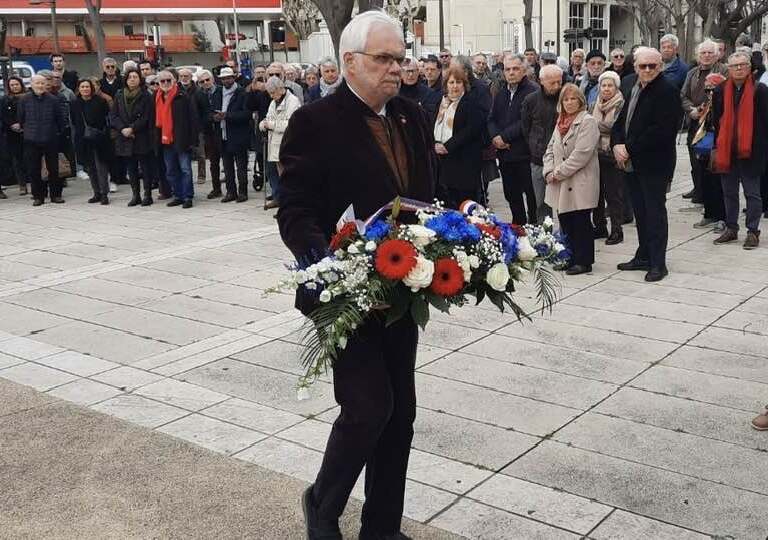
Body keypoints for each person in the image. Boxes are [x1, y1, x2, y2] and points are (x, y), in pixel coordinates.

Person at [277, 10, 436, 540]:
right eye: (384, 59)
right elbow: (294, 208)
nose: (397, 68)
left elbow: (423, 197)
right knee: (368, 408)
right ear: (350, 61)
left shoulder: (412, 115)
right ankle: (322, 505)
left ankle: (382, 529)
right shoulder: (315, 121)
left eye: (400, 58)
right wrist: (324, 259)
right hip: (341, 290)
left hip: (398, 287)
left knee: (401, 415)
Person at [612, 47, 682, 282]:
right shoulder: (633, 86)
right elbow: (622, 121)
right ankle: (643, 255)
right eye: (643, 66)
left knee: (655, 214)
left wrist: (628, 148)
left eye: (653, 65)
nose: (648, 70)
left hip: (654, 164)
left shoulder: (667, 91)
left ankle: (658, 263)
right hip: (632, 163)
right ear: (636, 67)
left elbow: (661, 132)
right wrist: (616, 143)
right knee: (641, 213)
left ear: (660, 66)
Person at [711, 51, 768, 250]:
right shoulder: (719, 91)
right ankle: (731, 227)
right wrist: (719, 145)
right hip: (727, 151)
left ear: (749, 67)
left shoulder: (760, 90)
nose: (738, 69)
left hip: (751, 151)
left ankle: (752, 231)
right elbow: (716, 121)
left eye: (743, 65)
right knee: (729, 192)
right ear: (728, 68)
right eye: (734, 65)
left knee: (753, 194)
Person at [544, 84, 599, 275]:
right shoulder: (561, 121)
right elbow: (550, 148)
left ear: (580, 101)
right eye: (565, 99)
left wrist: (557, 173)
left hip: (579, 181)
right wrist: (548, 170)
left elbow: (581, 155)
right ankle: (569, 256)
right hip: (560, 182)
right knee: (565, 221)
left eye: (572, 98)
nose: (569, 103)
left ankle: (584, 261)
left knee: (580, 222)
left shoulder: (588, 121)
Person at [488, 53, 539, 224]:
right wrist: (495, 136)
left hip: (525, 154)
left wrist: (504, 136)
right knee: (511, 194)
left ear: (524, 70)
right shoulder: (501, 92)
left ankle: (534, 228)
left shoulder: (533, 91)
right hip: (505, 155)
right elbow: (492, 118)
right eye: (507, 69)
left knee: (531, 196)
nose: (511, 73)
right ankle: (519, 225)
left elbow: (525, 121)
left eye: (515, 69)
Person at [681, 40, 728, 205]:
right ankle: (699, 192)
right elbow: (683, 95)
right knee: (695, 159)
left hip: (714, 124)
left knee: (711, 162)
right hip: (695, 121)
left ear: (716, 55)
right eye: (703, 53)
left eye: (710, 53)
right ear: (698, 55)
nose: (706, 56)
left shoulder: (724, 71)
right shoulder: (692, 73)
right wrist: (691, 110)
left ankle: (712, 198)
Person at [433, 66, 484, 209]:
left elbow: (472, 129)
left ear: (464, 84)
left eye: (458, 82)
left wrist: (447, 146)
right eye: (451, 82)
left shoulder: (471, 103)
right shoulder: (440, 103)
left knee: (464, 203)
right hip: (443, 163)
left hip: (463, 162)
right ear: (445, 85)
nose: (454, 86)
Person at [521, 64, 563, 223]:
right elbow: (525, 127)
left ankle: (566, 237)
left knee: (563, 204)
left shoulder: (566, 97)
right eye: (552, 83)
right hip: (538, 159)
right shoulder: (531, 100)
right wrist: (534, 146)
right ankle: (545, 238)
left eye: (559, 82)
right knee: (541, 202)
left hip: (562, 159)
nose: (557, 86)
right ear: (541, 81)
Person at [18, 74, 68, 206]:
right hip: (31, 139)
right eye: (37, 83)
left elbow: (60, 120)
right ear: (32, 84)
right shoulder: (24, 100)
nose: (40, 86)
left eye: (42, 83)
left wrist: (56, 133)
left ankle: (56, 195)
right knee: (33, 170)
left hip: (50, 138)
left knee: (54, 169)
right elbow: (21, 118)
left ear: (46, 85)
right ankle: (38, 196)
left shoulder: (53, 100)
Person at [155, 70, 200, 208]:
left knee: (185, 169)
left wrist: (193, 140)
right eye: (162, 81)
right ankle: (178, 195)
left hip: (181, 139)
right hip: (165, 140)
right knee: (170, 171)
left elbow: (193, 119)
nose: (166, 83)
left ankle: (187, 196)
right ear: (159, 83)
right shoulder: (156, 98)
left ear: (174, 81)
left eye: (169, 80)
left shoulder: (183, 96)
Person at [111, 68, 156, 207]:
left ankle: (147, 195)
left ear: (139, 79)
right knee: (131, 168)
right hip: (125, 136)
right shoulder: (119, 94)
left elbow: (147, 116)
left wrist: (133, 128)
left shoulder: (146, 95)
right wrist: (123, 129)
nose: (132, 79)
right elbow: (113, 115)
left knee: (145, 167)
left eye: (135, 76)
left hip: (141, 136)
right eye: (129, 77)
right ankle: (135, 195)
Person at [591, 71, 626, 244]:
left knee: (613, 195)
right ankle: (599, 227)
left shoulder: (621, 104)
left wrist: (593, 124)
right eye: (603, 85)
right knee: (595, 194)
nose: (606, 89)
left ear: (616, 87)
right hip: (594, 154)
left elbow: (616, 127)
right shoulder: (593, 104)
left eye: (610, 85)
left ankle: (617, 230)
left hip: (612, 155)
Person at [211, 67, 252, 203]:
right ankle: (230, 192)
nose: (227, 81)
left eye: (229, 78)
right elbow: (211, 110)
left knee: (241, 166)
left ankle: (243, 192)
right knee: (227, 166)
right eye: (224, 79)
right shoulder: (217, 93)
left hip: (238, 134)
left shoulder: (242, 93)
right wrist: (215, 117)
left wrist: (227, 116)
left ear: (234, 78)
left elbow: (246, 114)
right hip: (222, 134)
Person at [260, 76, 301, 211]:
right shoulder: (273, 102)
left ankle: (292, 205)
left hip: (288, 143)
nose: (272, 96)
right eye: (270, 93)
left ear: (281, 89)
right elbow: (268, 117)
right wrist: (263, 124)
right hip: (275, 144)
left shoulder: (293, 101)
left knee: (290, 177)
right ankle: (284, 203)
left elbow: (291, 123)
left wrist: (270, 124)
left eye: (273, 93)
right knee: (281, 177)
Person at [71, 79, 112, 204]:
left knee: (101, 168)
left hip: (99, 139)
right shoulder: (74, 103)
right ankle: (96, 193)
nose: (85, 89)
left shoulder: (100, 101)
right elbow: (74, 121)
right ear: (79, 89)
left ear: (92, 88)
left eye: (87, 86)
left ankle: (104, 193)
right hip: (83, 140)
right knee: (90, 168)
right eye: (82, 87)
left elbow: (106, 119)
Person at [2, 76, 29, 195]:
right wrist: (12, 124)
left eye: (16, 84)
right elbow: (3, 115)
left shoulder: (28, 97)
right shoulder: (5, 100)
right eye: (12, 85)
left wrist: (22, 124)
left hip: (28, 132)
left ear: (21, 85)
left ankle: (34, 182)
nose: (14, 87)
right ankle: (22, 184)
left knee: (31, 159)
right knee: (17, 160)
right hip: (12, 134)